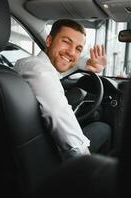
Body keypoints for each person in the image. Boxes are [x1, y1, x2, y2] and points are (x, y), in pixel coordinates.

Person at [14, 19, 111, 161]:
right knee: (104, 128)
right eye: (66, 41)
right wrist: (87, 166)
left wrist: (90, 63)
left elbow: (73, 61)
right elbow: (59, 114)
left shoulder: (36, 65)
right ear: (48, 40)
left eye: (78, 48)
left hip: (34, 144)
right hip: (48, 156)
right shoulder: (40, 71)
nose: (72, 52)